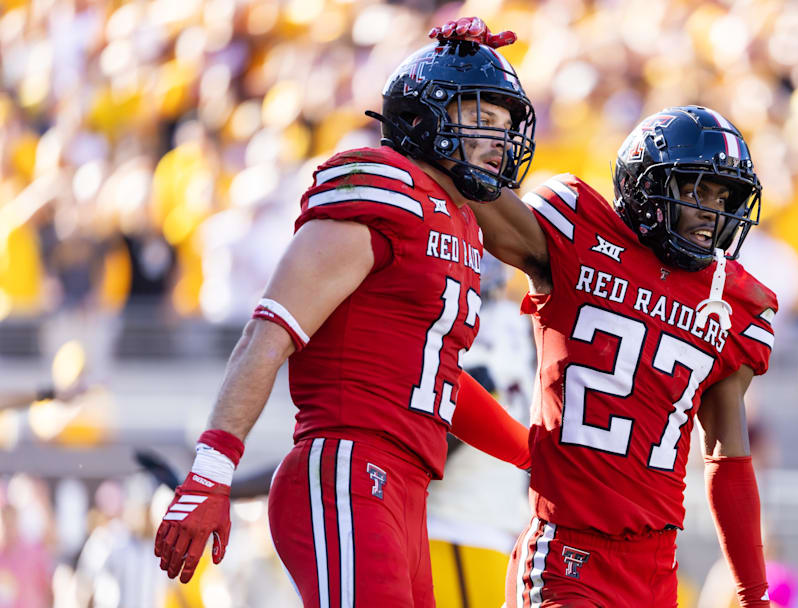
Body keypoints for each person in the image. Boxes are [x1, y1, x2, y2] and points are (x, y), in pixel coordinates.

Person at [152, 32, 537, 608]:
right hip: (348, 469)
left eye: (505, 124)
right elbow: (268, 332)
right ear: (426, 117)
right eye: (482, 116)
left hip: (404, 487)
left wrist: (533, 453)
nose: (498, 140)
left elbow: (437, 379)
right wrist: (212, 468)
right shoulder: (384, 188)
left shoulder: (457, 223)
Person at [432, 20, 776, 607]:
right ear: (645, 186)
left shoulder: (734, 300)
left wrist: (753, 593)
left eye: (723, 198)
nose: (710, 212)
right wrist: (452, 93)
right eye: (695, 189)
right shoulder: (576, 234)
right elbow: (474, 192)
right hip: (568, 550)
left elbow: (727, 454)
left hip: (656, 566)